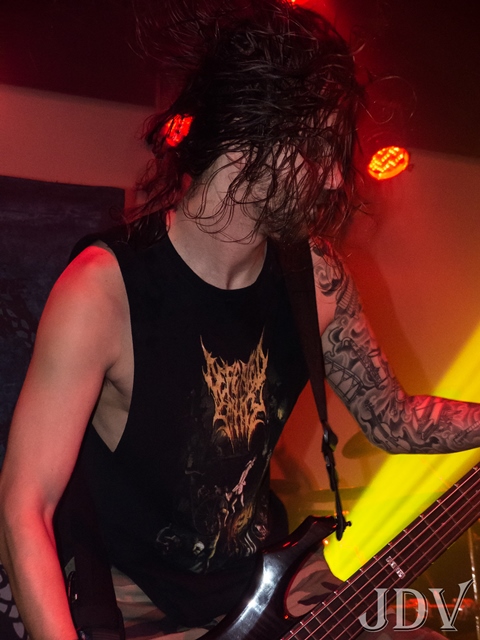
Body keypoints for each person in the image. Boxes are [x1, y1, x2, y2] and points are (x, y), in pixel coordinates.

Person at [0, 1, 479, 639]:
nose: (337, 178)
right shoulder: (103, 290)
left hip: (252, 585)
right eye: (323, 148)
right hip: (129, 606)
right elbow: (25, 506)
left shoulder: (317, 279)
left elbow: (395, 420)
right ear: (253, 133)